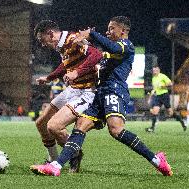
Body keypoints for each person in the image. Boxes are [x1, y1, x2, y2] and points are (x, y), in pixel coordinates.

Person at [30, 16, 173, 177]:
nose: (108, 31)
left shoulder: (127, 46)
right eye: (108, 28)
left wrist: (91, 34)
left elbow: (107, 51)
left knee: (116, 130)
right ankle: (56, 166)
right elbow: (95, 56)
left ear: (124, 31)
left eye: (112, 28)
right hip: (99, 93)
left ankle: (157, 160)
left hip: (114, 91)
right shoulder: (105, 49)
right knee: (80, 126)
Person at [31, 20, 102, 172]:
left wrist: (77, 72)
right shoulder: (61, 45)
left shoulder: (73, 39)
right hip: (72, 90)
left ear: (50, 34)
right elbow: (66, 64)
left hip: (86, 91)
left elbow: (96, 54)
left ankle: (74, 153)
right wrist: (49, 77)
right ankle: (54, 159)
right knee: (41, 123)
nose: (43, 44)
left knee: (54, 126)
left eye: (42, 40)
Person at [145, 66, 187, 132]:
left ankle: (182, 122)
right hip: (157, 96)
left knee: (170, 113)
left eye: (156, 70)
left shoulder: (162, 76)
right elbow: (154, 89)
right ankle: (152, 128)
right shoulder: (153, 78)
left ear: (159, 70)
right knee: (155, 111)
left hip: (164, 95)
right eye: (153, 70)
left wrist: (163, 86)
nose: (154, 71)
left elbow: (170, 83)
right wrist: (150, 98)